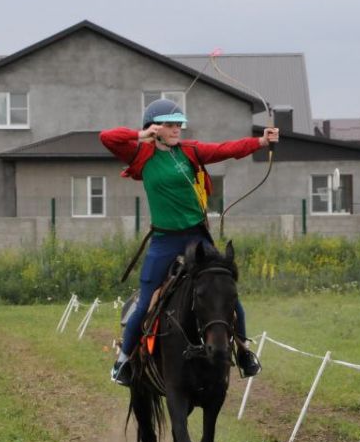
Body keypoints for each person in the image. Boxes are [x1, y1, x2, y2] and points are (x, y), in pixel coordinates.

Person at [100, 98, 279, 386]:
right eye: (170, 125)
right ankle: (123, 362)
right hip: (164, 241)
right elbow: (106, 137)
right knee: (146, 301)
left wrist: (260, 141)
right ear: (155, 127)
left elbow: (226, 150)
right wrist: (140, 135)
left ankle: (244, 353)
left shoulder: (191, 151)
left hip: (197, 238)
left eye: (178, 125)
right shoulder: (141, 155)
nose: (177, 130)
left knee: (226, 292)